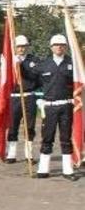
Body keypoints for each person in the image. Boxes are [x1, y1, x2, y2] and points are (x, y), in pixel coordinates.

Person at [34, 34, 78, 180]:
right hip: (49, 107)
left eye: (62, 44)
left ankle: (68, 170)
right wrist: (38, 98)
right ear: (51, 47)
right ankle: (43, 169)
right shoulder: (43, 65)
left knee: (65, 138)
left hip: (66, 106)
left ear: (65, 47)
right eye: (56, 44)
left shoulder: (73, 64)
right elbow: (32, 84)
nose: (59, 47)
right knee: (47, 137)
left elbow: (79, 84)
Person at [5, 35, 40, 163]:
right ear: (15, 47)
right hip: (14, 97)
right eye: (19, 46)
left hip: (29, 96)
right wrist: (14, 65)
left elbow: (36, 77)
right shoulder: (9, 61)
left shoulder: (34, 60)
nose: (21, 49)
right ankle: (11, 154)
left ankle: (28, 154)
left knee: (29, 126)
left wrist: (22, 68)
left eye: (24, 46)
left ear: (27, 47)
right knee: (13, 125)